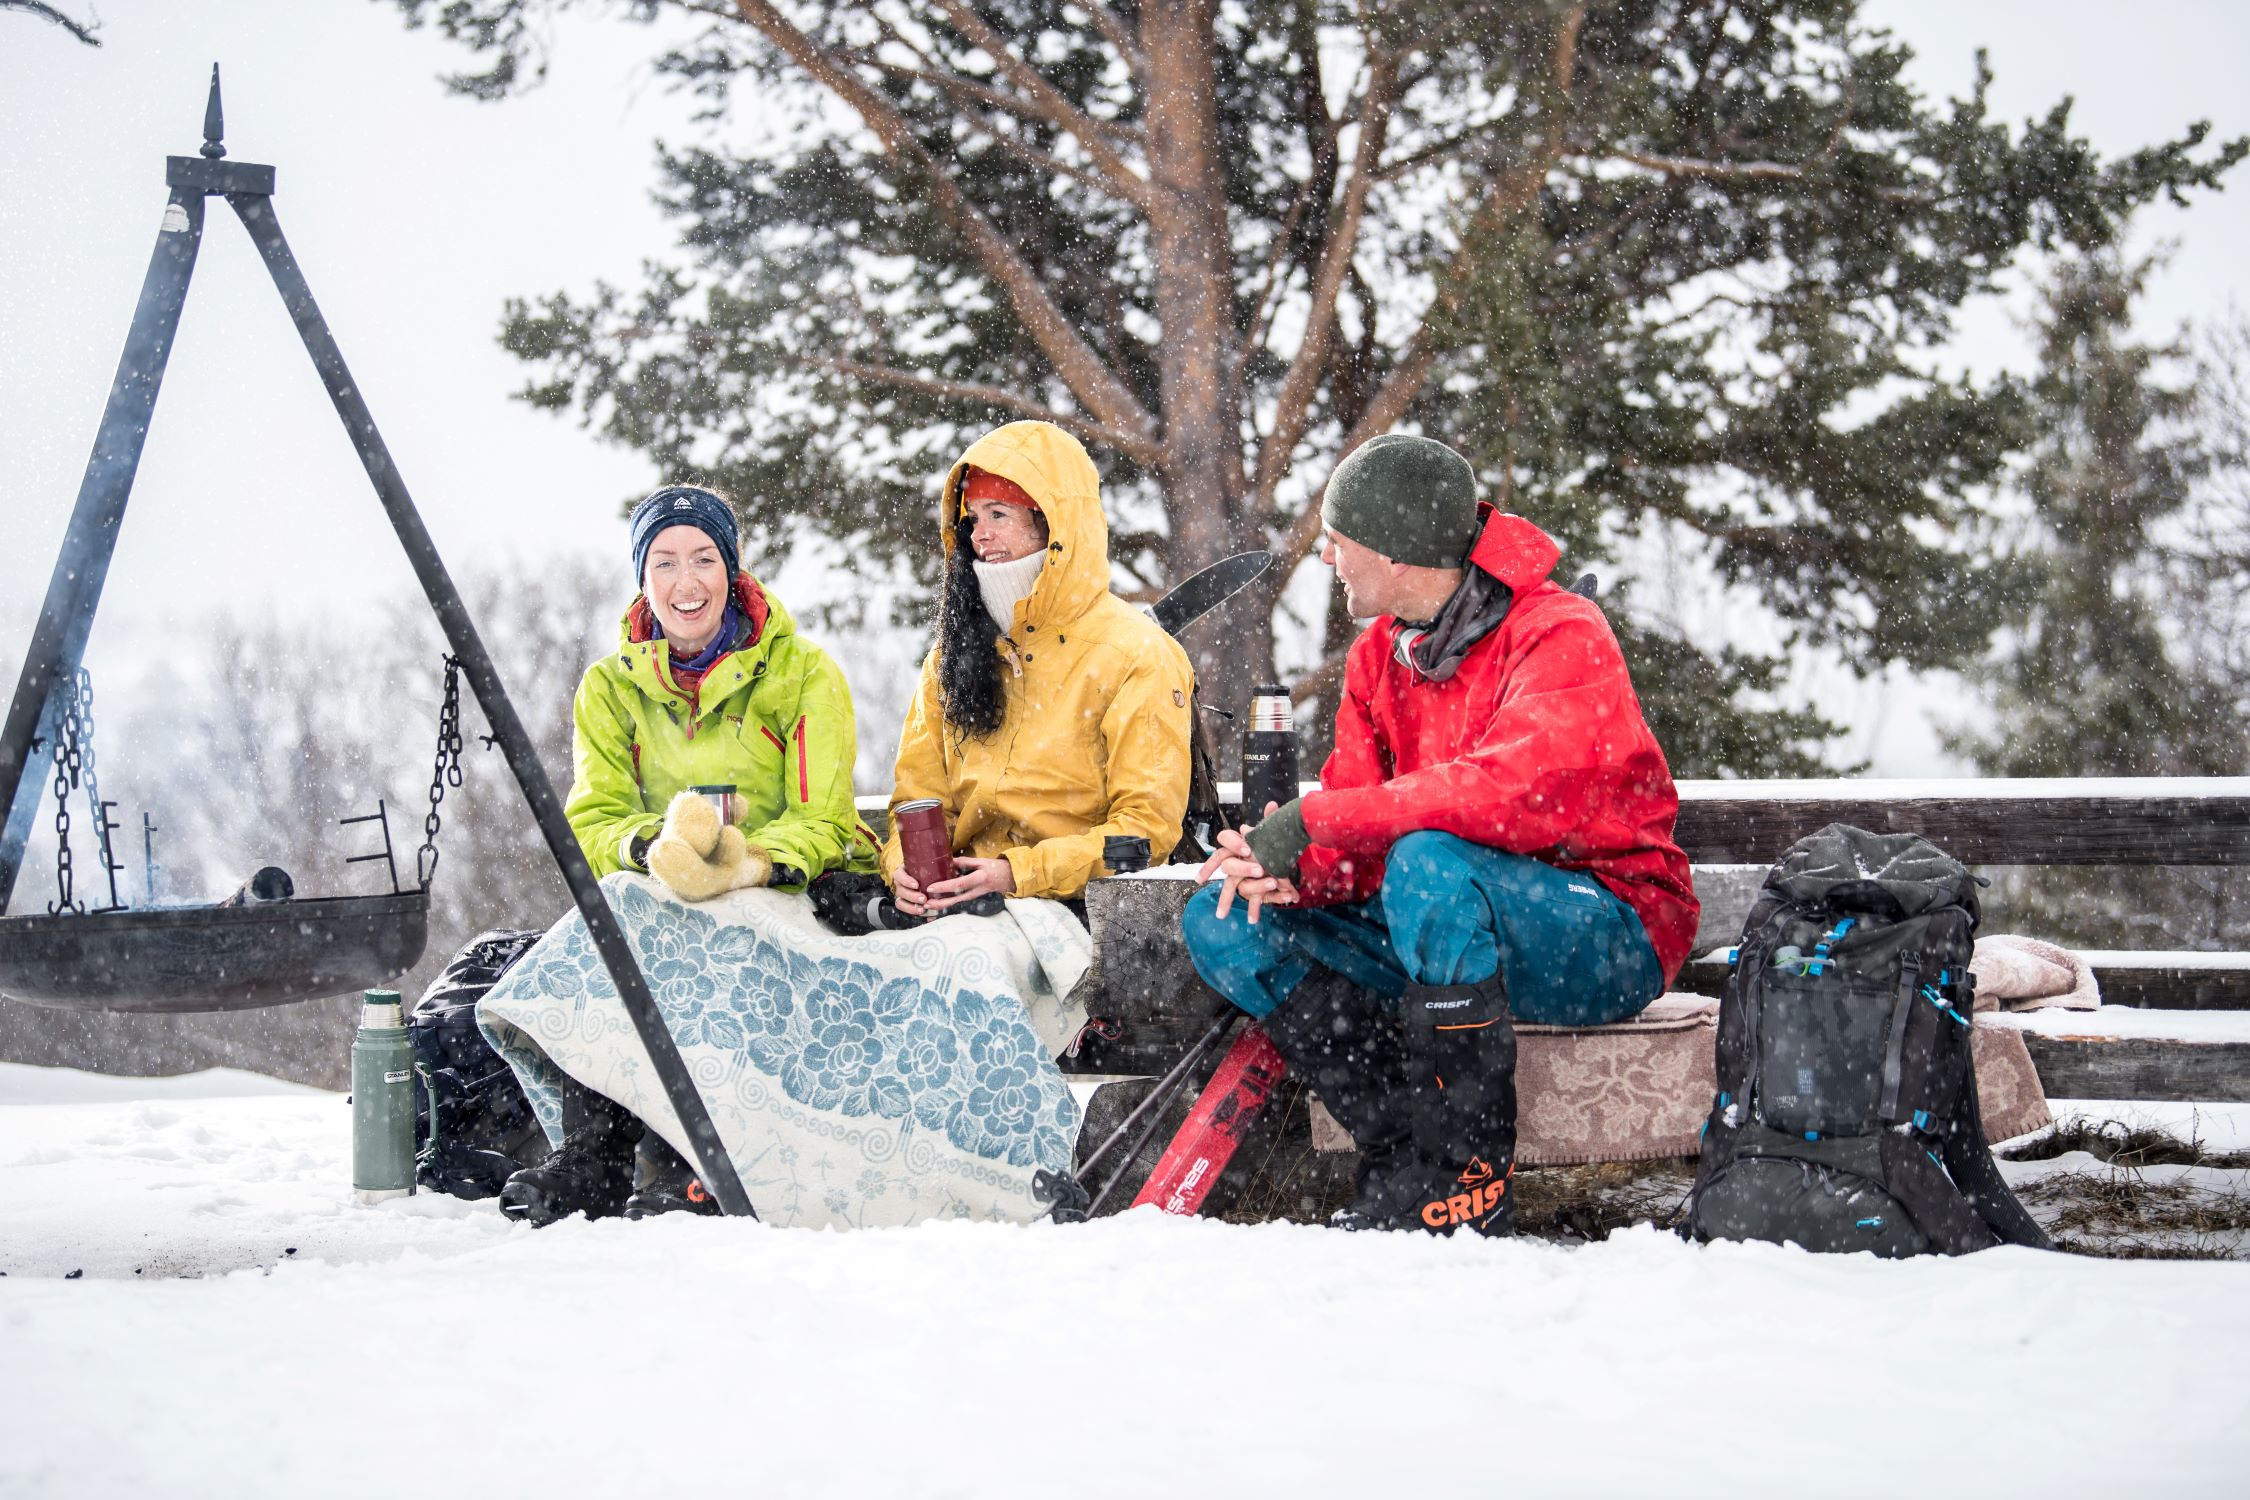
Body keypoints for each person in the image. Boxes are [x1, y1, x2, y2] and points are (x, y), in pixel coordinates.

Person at [1181, 434, 1699, 1238]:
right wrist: (1291, 872)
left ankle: (1468, 1175)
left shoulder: (1561, 633)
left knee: (1429, 865)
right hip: (1448, 922)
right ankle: (1398, 1151)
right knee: (1224, 920)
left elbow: (1514, 795)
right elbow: (1360, 818)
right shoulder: (1375, 659)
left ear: (1396, 552)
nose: (1325, 557)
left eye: (1338, 540)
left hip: (1609, 930)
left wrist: (1311, 820)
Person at [494, 484, 873, 1225]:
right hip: (661, 891)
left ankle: (682, 1164)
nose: (685, 581)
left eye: (703, 558)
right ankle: (593, 1157)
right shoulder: (608, 688)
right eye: (664, 562)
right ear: (643, 579)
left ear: (732, 571)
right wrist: (652, 847)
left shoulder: (802, 674)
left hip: (782, 891)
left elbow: (823, 819)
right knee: (617, 918)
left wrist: (743, 863)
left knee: (705, 939)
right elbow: (595, 818)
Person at [879, 419, 1195, 913]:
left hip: (1076, 908)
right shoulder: (949, 656)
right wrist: (903, 867)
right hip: (954, 906)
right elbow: (916, 802)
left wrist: (1017, 874)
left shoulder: (1135, 653)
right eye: (973, 518)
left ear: (1053, 524)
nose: (980, 535)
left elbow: (1145, 828)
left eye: (998, 514)